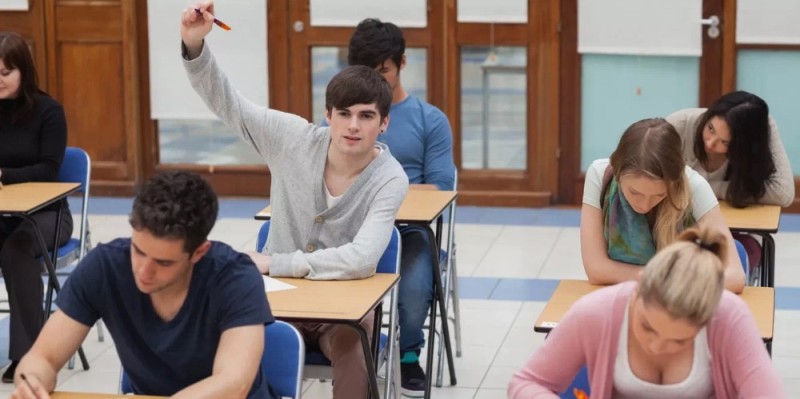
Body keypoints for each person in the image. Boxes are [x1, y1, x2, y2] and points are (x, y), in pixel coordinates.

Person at [181, 3, 409, 399]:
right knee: (218, 338)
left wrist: (275, 262)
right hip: (275, 301)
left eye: (366, 116)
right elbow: (228, 103)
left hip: (342, 312)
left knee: (353, 347)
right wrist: (194, 42)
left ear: (384, 122)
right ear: (327, 115)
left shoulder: (390, 178)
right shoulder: (292, 139)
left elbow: (361, 259)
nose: (353, 126)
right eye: (344, 114)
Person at [11, 171, 274, 399]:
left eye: (164, 262)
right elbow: (43, 358)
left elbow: (233, 384)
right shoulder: (105, 267)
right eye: (138, 250)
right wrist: (32, 379)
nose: (143, 271)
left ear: (198, 253)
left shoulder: (235, 278)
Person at [508, 225, 786, 398]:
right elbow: (526, 383)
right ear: (637, 287)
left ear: (708, 319)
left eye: (679, 340)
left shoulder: (729, 318)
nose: (657, 346)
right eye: (647, 326)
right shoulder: (596, 313)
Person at [347, 18, 455, 397]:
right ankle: (351, 347)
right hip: (352, 229)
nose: (376, 82)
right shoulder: (346, 119)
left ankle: (408, 356)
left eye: (383, 72)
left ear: (402, 63)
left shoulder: (430, 121)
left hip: (410, 231)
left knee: (412, 288)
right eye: (365, 73)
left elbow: (440, 188)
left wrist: (387, 194)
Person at [580, 118, 746, 293]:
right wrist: (668, 279)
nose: (644, 205)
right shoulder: (601, 175)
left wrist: (653, 281)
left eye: (659, 195)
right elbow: (596, 269)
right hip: (626, 297)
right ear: (618, 172)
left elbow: (735, 277)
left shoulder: (694, 186)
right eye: (634, 192)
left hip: (682, 306)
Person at [0, 31, 73, 383]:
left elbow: (49, 169)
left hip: (47, 214)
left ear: (23, 72)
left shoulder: (49, 111)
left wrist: (3, 174)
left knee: (15, 251)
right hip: (3, 212)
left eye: (4, 73)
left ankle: (29, 356)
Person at [666, 91, 794, 208]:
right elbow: (650, 177)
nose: (710, 143)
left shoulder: (758, 130)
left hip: (726, 221)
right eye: (711, 128)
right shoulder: (679, 125)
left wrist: (710, 189)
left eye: (725, 142)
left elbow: (783, 193)